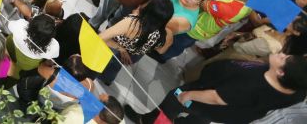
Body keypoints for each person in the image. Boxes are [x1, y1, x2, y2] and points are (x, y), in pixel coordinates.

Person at [125, 54, 307, 124]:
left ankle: (145, 121)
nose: (282, 53)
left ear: (281, 73)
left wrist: (187, 95)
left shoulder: (252, 85)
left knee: (174, 99)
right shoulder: (297, 91)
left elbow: (216, 98)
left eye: (284, 58)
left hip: (208, 97)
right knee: (197, 119)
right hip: (225, 113)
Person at [156, 0, 255, 62]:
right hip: (201, 26)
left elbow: (201, 1)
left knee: (177, 44)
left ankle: (162, 56)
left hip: (196, 30)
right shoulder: (245, 1)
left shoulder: (230, 9)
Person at [97, 0, 174, 85]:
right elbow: (161, 51)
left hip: (116, 47)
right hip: (135, 55)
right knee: (115, 66)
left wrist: (122, 48)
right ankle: (107, 79)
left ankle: (99, 74)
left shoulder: (131, 23)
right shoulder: (167, 34)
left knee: (107, 62)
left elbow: (101, 37)